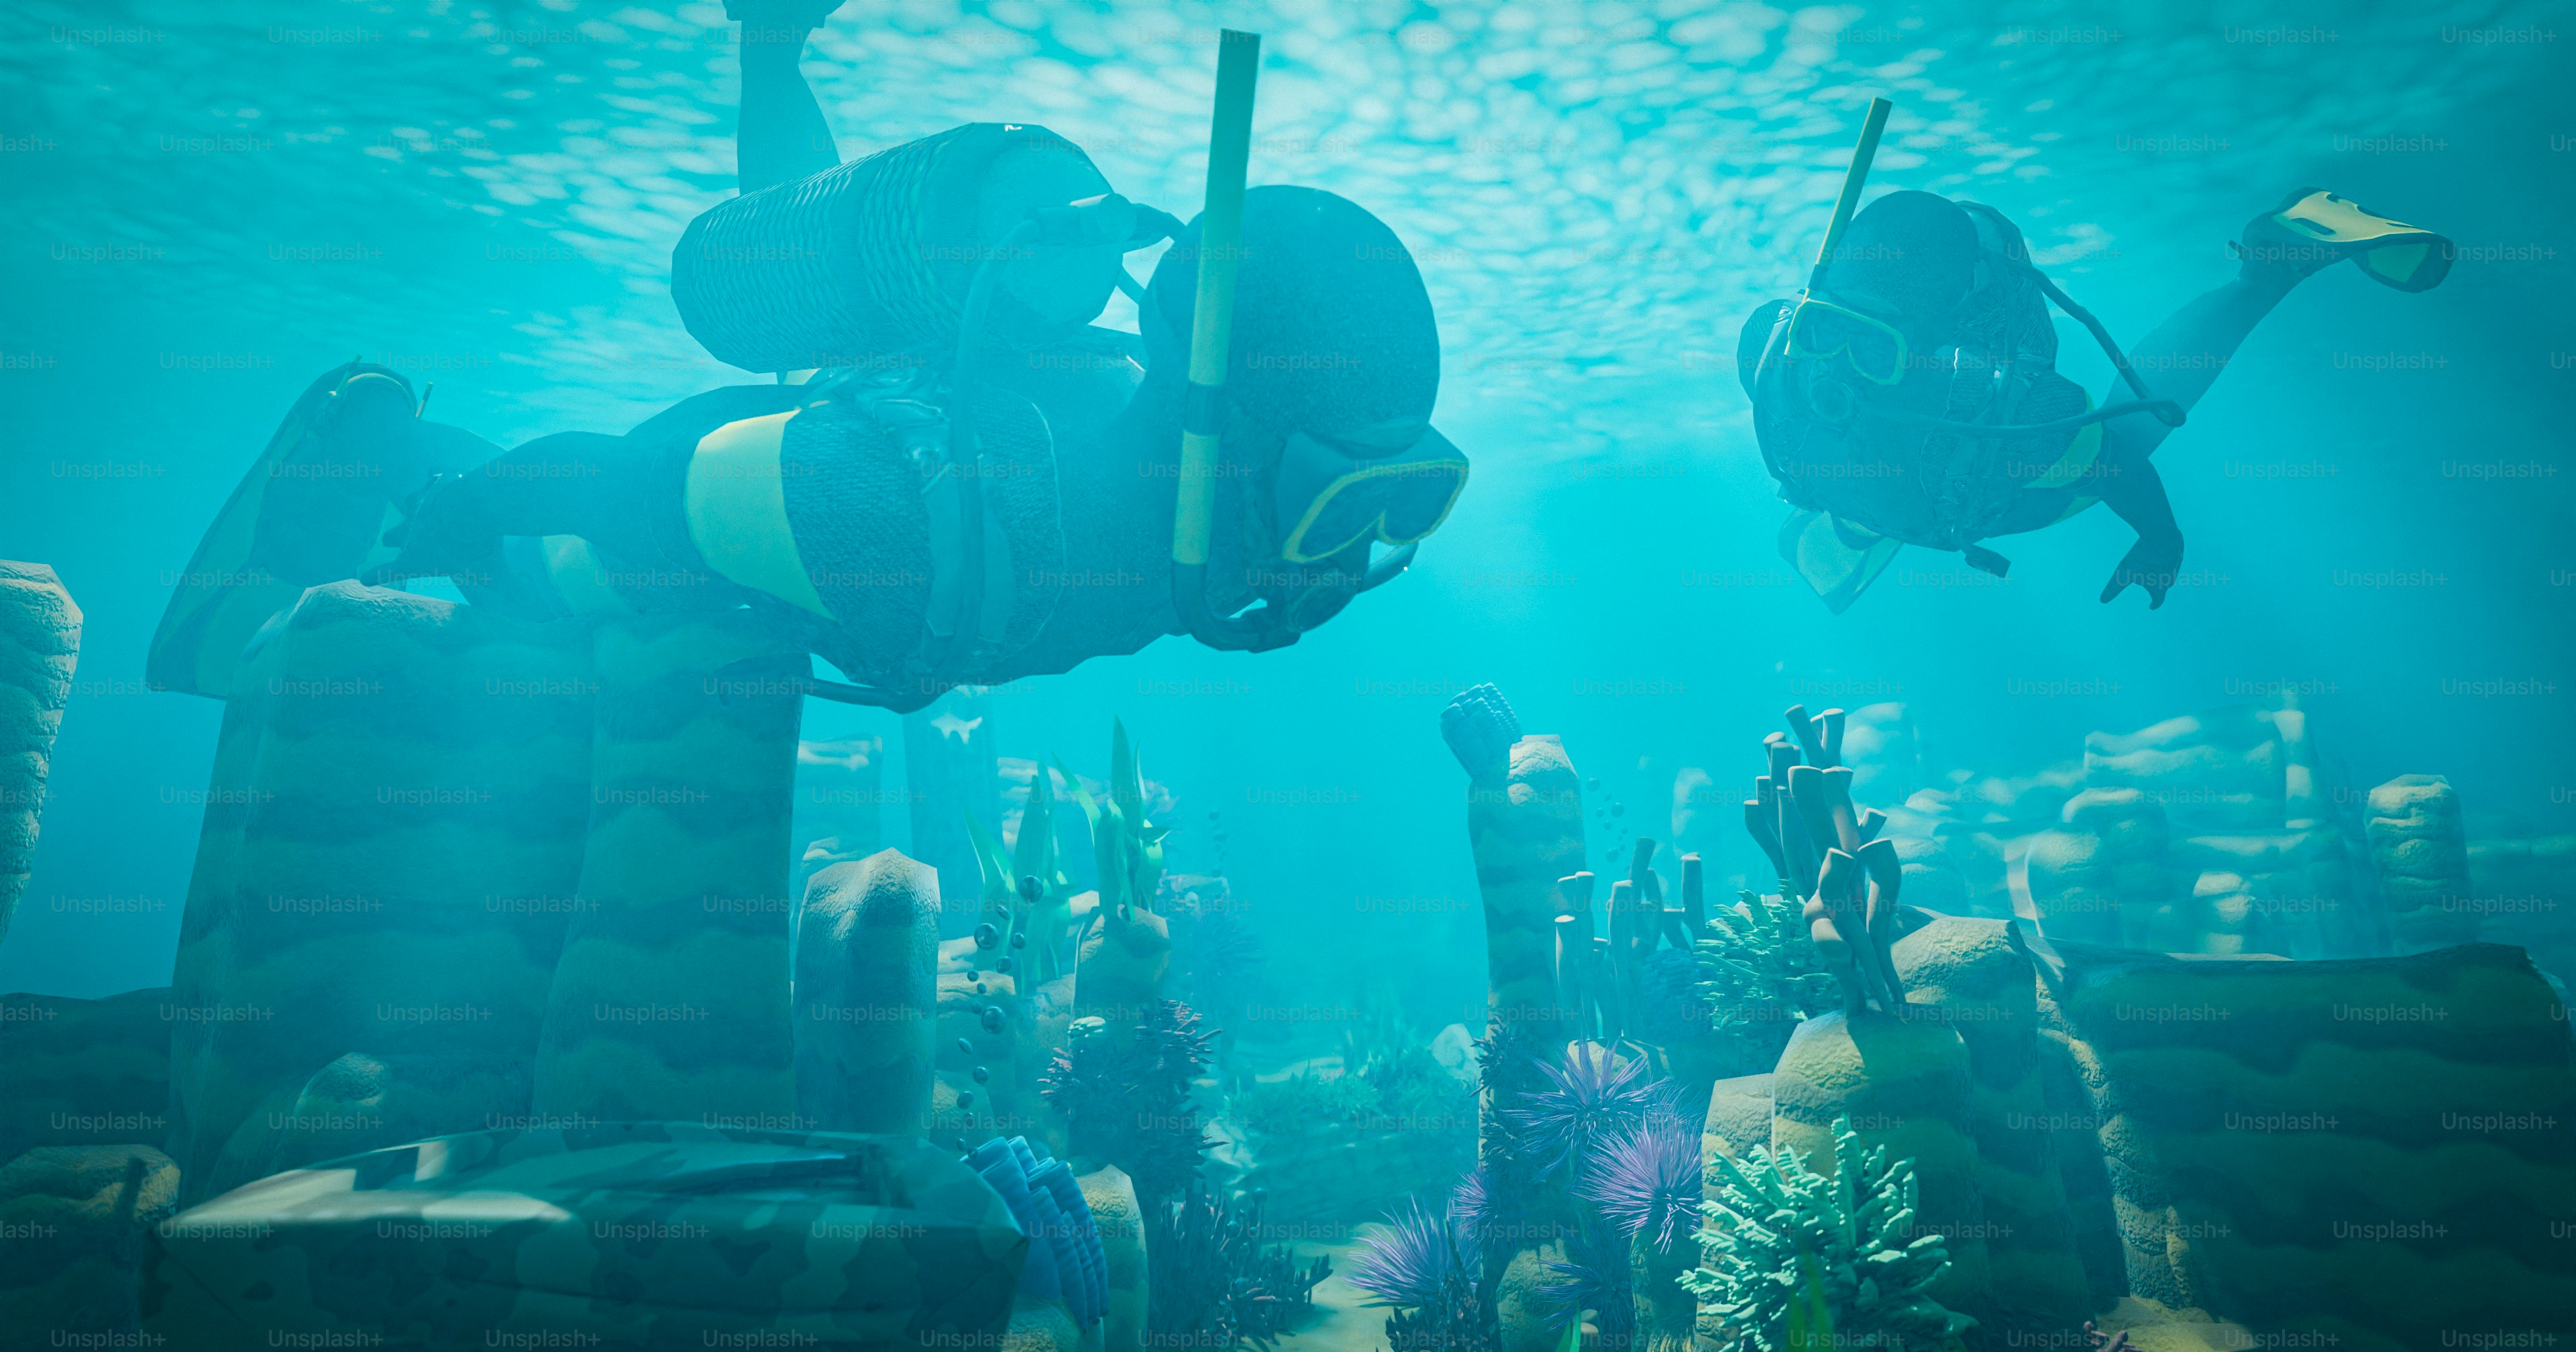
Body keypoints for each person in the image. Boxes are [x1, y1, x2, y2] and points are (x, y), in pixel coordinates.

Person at [149, 3, 1468, 707]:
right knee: (526, 547)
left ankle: (768, 42)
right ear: (1208, 428)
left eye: (1408, 498)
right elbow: (629, 477)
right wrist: (449, 519)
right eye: (1338, 505)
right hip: (585, 562)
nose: (1345, 565)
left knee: (840, 330)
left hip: (833, 478)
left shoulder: (1107, 425)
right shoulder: (896, 510)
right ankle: (352, 489)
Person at [1740, 182, 2452, 612]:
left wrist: (2159, 535)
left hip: (2006, 446)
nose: (1833, 371)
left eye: (1872, 349)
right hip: (1941, 355)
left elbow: (2118, 464)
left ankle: (2270, 270)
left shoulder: (2009, 411)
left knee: (2133, 429)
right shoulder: (1778, 357)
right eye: (1827, 333)